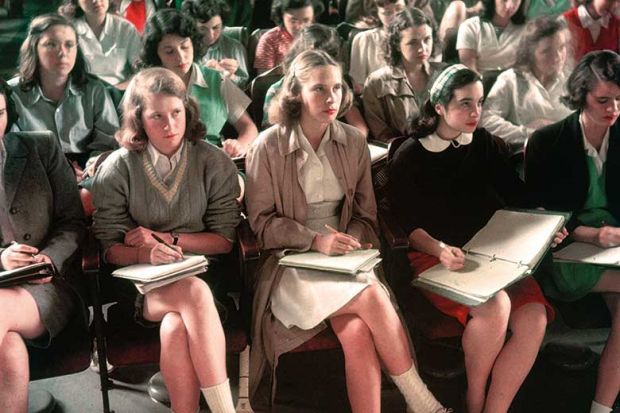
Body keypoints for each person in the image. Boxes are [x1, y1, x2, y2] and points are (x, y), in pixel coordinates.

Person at [245, 49, 449, 413]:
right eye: (319, 89)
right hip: (290, 262)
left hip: (344, 257)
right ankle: (423, 402)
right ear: (296, 93)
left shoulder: (353, 141)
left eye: (337, 88)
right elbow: (261, 225)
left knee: (356, 332)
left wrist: (351, 240)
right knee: (371, 297)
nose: (332, 98)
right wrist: (315, 240)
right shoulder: (267, 146)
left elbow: (366, 215)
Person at [388, 64, 562, 413]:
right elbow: (409, 226)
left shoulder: (483, 143)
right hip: (437, 256)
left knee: (534, 319)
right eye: (465, 103)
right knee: (496, 307)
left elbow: (517, 195)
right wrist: (440, 250)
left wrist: (547, 226)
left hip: (494, 256)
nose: (475, 112)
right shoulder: (411, 155)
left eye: (480, 103)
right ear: (439, 107)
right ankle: (475, 399)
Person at [92, 67, 241, 413]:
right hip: (142, 288)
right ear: (138, 119)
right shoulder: (117, 167)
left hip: (205, 274)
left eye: (176, 112)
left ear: (187, 111)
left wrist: (165, 238)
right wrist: (144, 253)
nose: (170, 125)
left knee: (176, 326)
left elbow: (223, 242)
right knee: (192, 293)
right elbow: (110, 250)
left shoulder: (214, 161)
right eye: (156, 116)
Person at [525, 50, 620, 413]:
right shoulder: (548, 141)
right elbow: (541, 216)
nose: (614, 109)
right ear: (581, 95)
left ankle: (601, 408)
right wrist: (592, 235)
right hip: (566, 252)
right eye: (603, 100)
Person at [0, 78, 86, 412]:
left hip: (49, 283)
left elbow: (73, 221)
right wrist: (2, 259)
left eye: (0, 113)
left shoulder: (41, 147)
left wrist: (48, 258)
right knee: (8, 349)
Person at [8, 13, 119, 180]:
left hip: (88, 173)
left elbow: (109, 144)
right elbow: (10, 149)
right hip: (34, 174)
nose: (62, 53)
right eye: (51, 44)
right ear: (34, 48)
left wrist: (90, 169)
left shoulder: (95, 90)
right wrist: (59, 171)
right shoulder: (11, 94)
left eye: (69, 45)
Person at [140, 9, 257, 157]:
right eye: (169, 51)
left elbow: (248, 128)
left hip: (211, 160)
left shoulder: (217, 80)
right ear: (156, 54)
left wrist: (239, 146)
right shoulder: (143, 85)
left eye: (185, 47)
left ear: (194, 44)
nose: (181, 57)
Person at [480, 16, 573, 155]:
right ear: (530, 53)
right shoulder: (511, 80)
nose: (558, 57)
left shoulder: (572, 82)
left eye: (561, 47)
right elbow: (486, 120)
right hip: (525, 157)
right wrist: (529, 133)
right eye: (547, 51)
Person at [261, 23, 369, 136]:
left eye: (329, 55)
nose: (322, 61)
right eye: (314, 56)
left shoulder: (339, 86)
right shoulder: (277, 90)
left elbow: (360, 129)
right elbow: (274, 136)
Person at [363, 7, 446, 142]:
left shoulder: (444, 74)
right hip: (402, 151)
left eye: (427, 39)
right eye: (413, 43)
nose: (422, 48)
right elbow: (382, 134)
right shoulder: (376, 82)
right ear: (397, 45)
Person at [59, 0, 142, 89]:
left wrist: (115, 90)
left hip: (121, 92)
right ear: (76, 2)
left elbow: (141, 72)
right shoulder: (69, 31)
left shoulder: (126, 28)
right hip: (83, 92)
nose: (95, 1)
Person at [182, 0, 250, 89]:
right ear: (192, 26)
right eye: (202, 29)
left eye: (216, 28)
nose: (210, 35)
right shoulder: (182, 47)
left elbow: (243, 85)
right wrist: (202, 74)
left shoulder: (235, 47)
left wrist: (229, 75)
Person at [349, 0, 406, 94]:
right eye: (387, 13)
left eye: (400, 9)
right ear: (377, 14)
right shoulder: (365, 39)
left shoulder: (420, 37)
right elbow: (358, 86)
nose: (396, 16)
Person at [457, 0, 528, 74]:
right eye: (504, 0)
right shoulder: (470, 27)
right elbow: (469, 67)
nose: (509, 6)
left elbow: (526, 67)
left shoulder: (527, 29)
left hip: (512, 79)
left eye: (515, 1)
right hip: (478, 79)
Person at [254, 0, 322, 75]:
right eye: (293, 21)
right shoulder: (270, 39)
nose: (300, 27)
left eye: (306, 20)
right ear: (281, 17)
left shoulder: (320, 37)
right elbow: (263, 78)